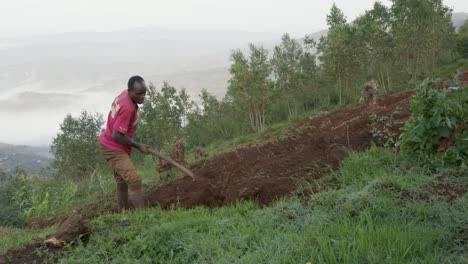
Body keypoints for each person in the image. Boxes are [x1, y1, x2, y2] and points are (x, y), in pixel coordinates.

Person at [98, 75, 150, 211]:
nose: (142, 96)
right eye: (139, 94)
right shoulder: (128, 108)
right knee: (134, 180)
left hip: (110, 144)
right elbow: (117, 135)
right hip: (113, 147)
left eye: (144, 93)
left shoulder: (124, 95)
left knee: (122, 181)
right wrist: (139, 146)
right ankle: (143, 217)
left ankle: (123, 212)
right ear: (130, 91)